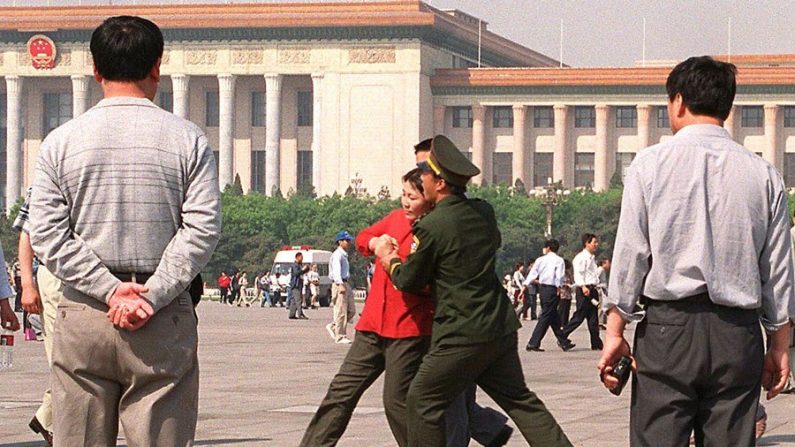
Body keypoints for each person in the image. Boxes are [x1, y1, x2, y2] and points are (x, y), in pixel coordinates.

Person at [28, 15, 221, 447]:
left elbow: (47, 233)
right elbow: (202, 229)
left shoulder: (61, 142)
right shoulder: (188, 140)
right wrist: (149, 295)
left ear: (95, 70)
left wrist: (108, 291)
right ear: (157, 66)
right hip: (162, 317)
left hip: (84, 315)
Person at [598, 56, 794, 447]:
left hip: (668, 331)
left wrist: (615, 331)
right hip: (737, 334)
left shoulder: (649, 165)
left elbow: (630, 254)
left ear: (678, 102)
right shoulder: (763, 174)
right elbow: (778, 271)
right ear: (727, 107)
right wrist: (779, 346)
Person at [375, 135, 571, 447]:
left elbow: (409, 279)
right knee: (521, 401)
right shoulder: (483, 212)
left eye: (425, 173)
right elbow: (491, 244)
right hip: (498, 327)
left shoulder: (433, 225)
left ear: (440, 183)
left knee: (421, 400)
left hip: (460, 333)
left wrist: (391, 260)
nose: (420, 179)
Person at [14, 187, 57, 446]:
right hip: (56, 276)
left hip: (100, 279)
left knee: (88, 360)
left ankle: (48, 417)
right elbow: (27, 233)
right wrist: (27, 285)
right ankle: (52, 422)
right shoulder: (48, 171)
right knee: (63, 360)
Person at [522, 239, 575, 352]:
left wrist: (525, 285)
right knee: (546, 315)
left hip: (543, 289)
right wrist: (558, 287)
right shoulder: (559, 260)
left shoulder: (540, 260)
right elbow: (559, 276)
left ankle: (563, 342)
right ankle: (533, 342)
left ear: (548, 248)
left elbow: (533, 273)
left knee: (553, 316)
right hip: (552, 289)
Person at [561, 233, 603, 350]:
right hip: (585, 290)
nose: (596, 244)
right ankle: (562, 335)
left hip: (592, 289)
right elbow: (579, 274)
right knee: (579, 316)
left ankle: (596, 343)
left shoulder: (591, 258)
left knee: (593, 318)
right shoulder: (581, 257)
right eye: (594, 242)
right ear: (587, 243)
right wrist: (583, 286)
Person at [327, 231, 356, 344]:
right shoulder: (337, 255)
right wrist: (339, 284)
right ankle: (340, 335)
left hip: (345, 282)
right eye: (346, 240)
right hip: (340, 283)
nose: (349, 243)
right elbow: (336, 271)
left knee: (351, 310)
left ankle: (334, 326)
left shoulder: (344, 254)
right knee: (341, 310)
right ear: (340, 242)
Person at [288, 253, 310, 319]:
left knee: (294, 300)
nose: (302, 259)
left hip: (299, 284)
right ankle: (300, 314)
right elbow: (296, 273)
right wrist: (303, 269)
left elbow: (301, 273)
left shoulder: (299, 265)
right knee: (298, 300)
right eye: (301, 257)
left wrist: (306, 269)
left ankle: (292, 314)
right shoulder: (294, 265)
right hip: (295, 284)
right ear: (297, 257)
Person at [557, 261, 574, 328]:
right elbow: (559, 282)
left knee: (567, 309)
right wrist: (566, 284)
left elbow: (572, 280)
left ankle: (565, 323)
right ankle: (560, 322)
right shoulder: (561, 273)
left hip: (568, 293)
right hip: (563, 293)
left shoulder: (568, 273)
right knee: (562, 309)